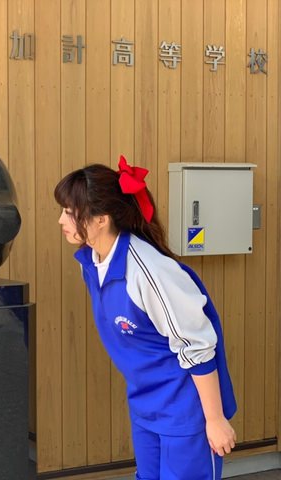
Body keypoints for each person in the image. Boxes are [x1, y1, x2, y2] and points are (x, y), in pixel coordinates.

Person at [55, 156, 237, 480]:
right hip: (146, 405)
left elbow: (197, 343)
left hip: (185, 412)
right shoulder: (92, 262)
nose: (61, 220)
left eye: (70, 212)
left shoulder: (148, 271)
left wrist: (214, 419)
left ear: (101, 219)